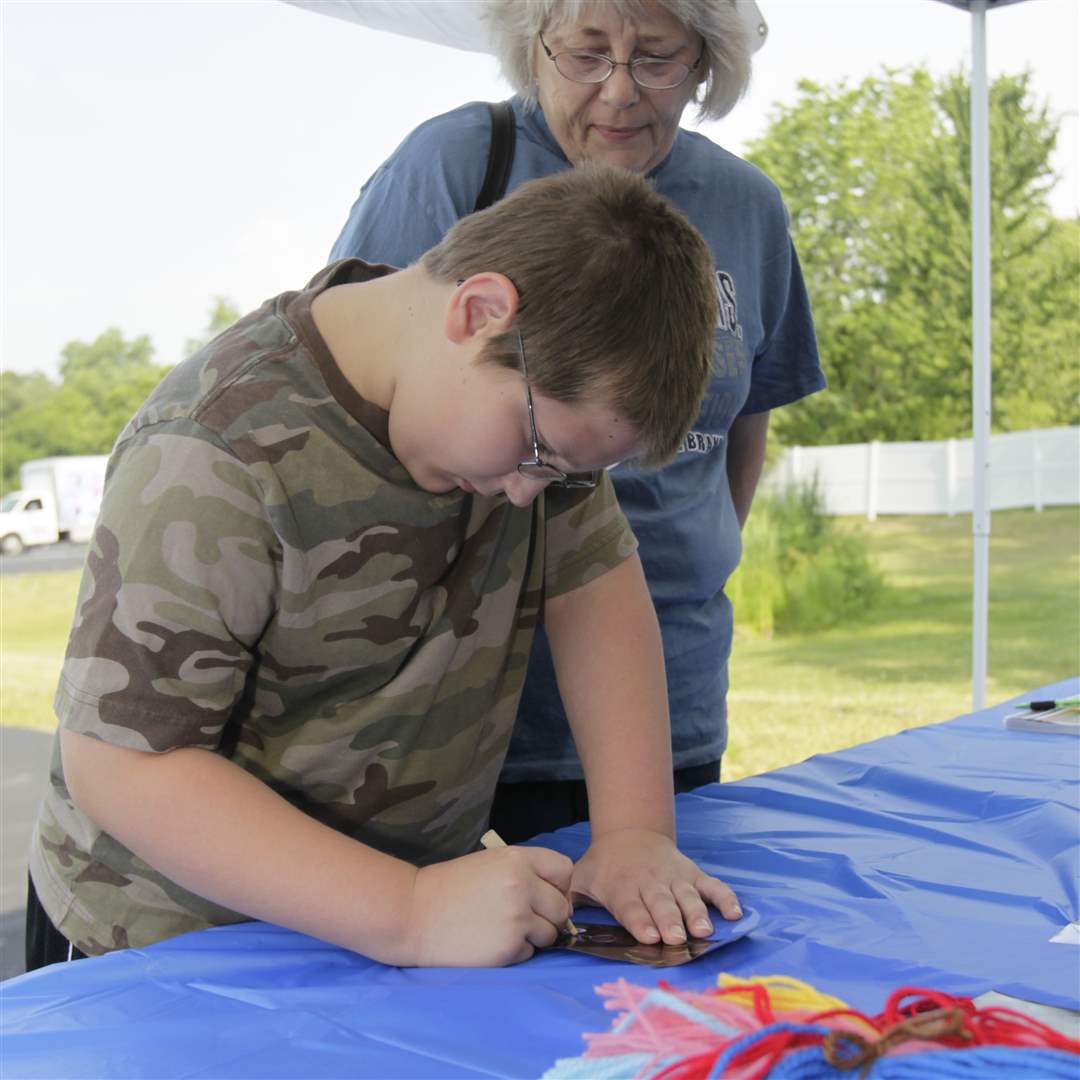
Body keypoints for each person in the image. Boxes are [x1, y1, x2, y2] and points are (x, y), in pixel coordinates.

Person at [27, 164, 741, 972]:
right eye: (537, 453)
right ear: (478, 313)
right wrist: (407, 911)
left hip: (394, 918)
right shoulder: (214, 449)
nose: (526, 493)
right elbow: (121, 765)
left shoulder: (534, 402)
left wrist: (634, 830)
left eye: (565, 473)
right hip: (169, 945)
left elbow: (595, 588)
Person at [330, 0, 827, 843]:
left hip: (673, 684)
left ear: (707, 62)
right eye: (588, 55)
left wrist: (707, 552)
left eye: (657, 58)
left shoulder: (747, 205)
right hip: (479, 699)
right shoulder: (457, 161)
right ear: (534, 48)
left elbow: (745, 421)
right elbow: (358, 379)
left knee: (651, 942)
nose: (620, 92)